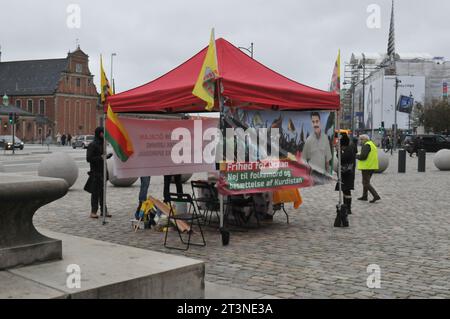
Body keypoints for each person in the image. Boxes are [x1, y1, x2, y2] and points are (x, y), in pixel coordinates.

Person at [84, 127, 112, 218]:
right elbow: (89, 158)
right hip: (96, 172)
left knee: (102, 193)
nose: (105, 135)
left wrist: (107, 156)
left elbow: (102, 157)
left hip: (103, 171)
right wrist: (101, 157)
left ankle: (104, 211)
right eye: (103, 133)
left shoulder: (103, 143)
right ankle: (93, 211)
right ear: (100, 133)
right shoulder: (92, 145)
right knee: (95, 193)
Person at [335, 133, 357, 214]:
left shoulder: (349, 149)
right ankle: (346, 207)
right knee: (345, 191)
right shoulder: (350, 148)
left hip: (347, 173)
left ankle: (348, 208)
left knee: (346, 191)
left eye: (342, 145)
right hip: (347, 173)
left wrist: (338, 151)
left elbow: (342, 159)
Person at [356, 134, 381, 203]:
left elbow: (363, 156)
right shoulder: (371, 144)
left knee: (365, 183)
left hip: (367, 167)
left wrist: (357, 156)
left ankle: (375, 195)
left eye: (361, 139)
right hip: (371, 166)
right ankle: (364, 196)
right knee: (366, 182)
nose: (360, 141)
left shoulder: (366, 145)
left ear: (365, 139)